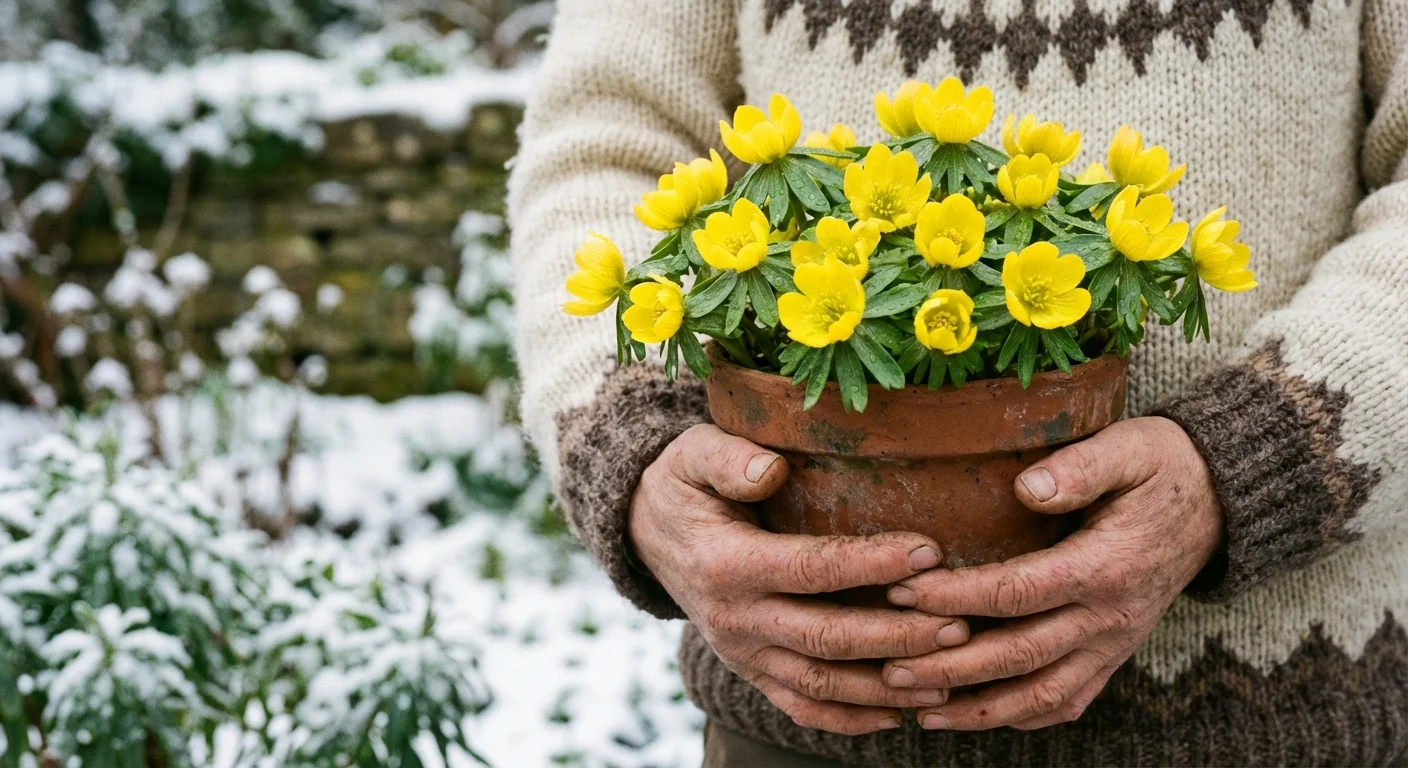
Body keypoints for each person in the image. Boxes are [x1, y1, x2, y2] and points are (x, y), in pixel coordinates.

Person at [507, 0, 1408, 764]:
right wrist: (635, 444)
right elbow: (604, 140)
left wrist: (1256, 458)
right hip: (806, 730)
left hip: (1290, 701)